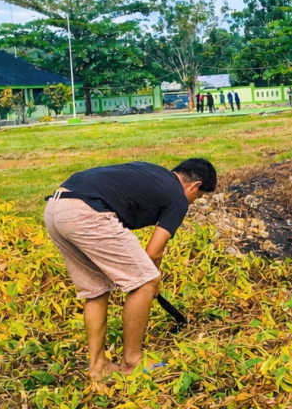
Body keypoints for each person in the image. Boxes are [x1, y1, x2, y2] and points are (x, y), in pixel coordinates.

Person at [44, 159, 217, 379]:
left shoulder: (153, 171)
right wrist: (151, 281)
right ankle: (132, 361)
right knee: (144, 282)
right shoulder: (178, 197)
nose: (193, 201)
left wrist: (150, 275)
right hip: (86, 213)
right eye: (198, 196)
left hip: (56, 207)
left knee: (96, 288)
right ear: (195, 186)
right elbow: (154, 251)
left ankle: (98, 367)